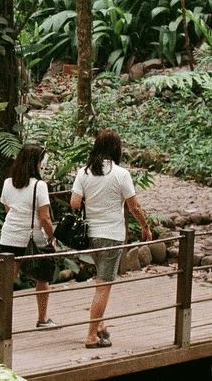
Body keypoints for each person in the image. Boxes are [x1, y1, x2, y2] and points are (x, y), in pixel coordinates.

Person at [67, 130, 150, 349]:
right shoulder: (121, 174)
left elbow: (75, 203)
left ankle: (101, 326)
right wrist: (145, 226)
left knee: (100, 281)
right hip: (111, 236)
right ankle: (91, 335)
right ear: (116, 149)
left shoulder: (84, 172)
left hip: (91, 236)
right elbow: (134, 206)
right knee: (103, 286)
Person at [0, 143, 60, 335]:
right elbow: (45, 218)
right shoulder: (39, 186)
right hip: (32, 239)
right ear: (36, 162)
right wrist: (53, 239)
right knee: (43, 278)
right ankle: (42, 319)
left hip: (9, 236)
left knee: (6, 280)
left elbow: (8, 209)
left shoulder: (8, 183)